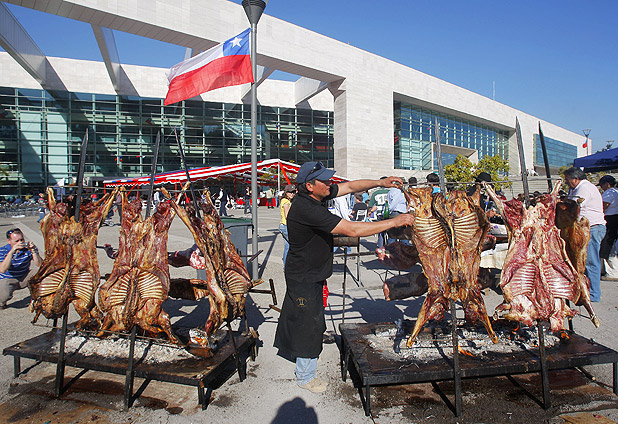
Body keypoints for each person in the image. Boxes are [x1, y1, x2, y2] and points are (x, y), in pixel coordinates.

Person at [273, 161, 414, 393]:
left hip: (310, 271)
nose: (330, 183)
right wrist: (395, 221)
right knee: (309, 322)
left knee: (302, 315)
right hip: (305, 275)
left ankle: (297, 353)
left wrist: (380, 182)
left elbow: (349, 187)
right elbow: (353, 230)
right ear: (309, 185)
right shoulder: (307, 208)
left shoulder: (316, 196)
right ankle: (305, 376)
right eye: (325, 180)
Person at [564, 167, 606, 302]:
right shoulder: (576, 189)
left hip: (592, 228)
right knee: (580, 260)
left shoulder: (584, 188)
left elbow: (575, 205)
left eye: (567, 179)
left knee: (590, 261)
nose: (566, 182)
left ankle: (593, 294)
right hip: (582, 228)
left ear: (575, 178)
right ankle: (583, 290)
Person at [0, 228, 42, 309]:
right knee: (3, 289)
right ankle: (2, 302)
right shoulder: (2, 251)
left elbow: (40, 265)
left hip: (24, 276)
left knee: (40, 272)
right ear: (9, 241)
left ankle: (39, 296)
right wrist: (11, 252)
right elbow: (2, 269)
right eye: (16, 241)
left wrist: (34, 251)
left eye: (22, 239)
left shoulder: (28, 249)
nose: (20, 243)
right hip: (8, 279)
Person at [598, 175, 618, 261]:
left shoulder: (609, 192)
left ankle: (606, 262)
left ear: (607, 184)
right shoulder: (616, 191)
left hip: (610, 218)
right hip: (615, 217)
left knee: (606, 242)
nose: (602, 187)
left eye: (602, 185)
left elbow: (604, 206)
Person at [279, 184, 296, 268]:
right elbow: (287, 215)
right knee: (294, 245)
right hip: (286, 226)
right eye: (290, 192)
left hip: (283, 225)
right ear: (286, 192)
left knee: (287, 246)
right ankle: (289, 266)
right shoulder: (286, 202)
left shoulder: (285, 200)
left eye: (294, 192)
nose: (292, 194)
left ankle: (286, 266)